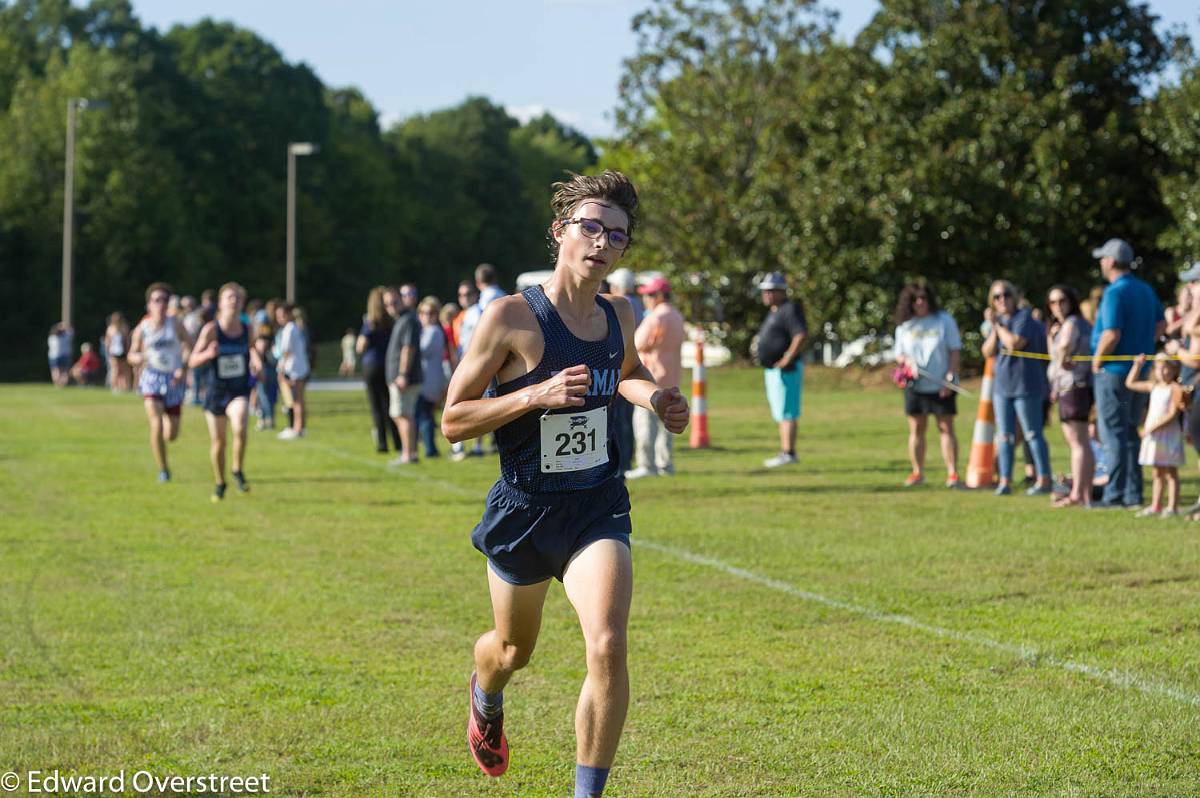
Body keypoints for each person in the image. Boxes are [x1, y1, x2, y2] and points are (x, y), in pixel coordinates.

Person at [442, 170, 688, 798]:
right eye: (591, 227)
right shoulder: (510, 318)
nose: (602, 242)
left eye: (618, 235)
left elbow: (625, 371)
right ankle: (485, 692)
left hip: (595, 505)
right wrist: (534, 395)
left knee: (606, 644)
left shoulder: (620, 312)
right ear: (561, 232)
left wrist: (653, 397)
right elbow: (453, 420)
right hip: (525, 509)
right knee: (511, 649)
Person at [1090, 238, 1165, 508]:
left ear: (1110, 262)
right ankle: (1134, 493)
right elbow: (1161, 322)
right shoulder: (1145, 289)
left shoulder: (1114, 292)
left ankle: (1115, 495)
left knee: (1113, 433)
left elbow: (1111, 333)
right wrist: (1145, 346)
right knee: (1131, 431)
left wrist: (1097, 361)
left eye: (1102, 258)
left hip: (1115, 373)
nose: (1101, 263)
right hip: (1140, 372)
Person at [189, 282, 260, 501]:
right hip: (215, 391)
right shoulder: (211, 330)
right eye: (229, 297)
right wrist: (207, 354)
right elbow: (192, 360)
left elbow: (251, 347)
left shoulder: (246, 328)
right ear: (221, 303)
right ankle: (220, 482)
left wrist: (256, 360)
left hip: (238, 390)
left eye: (237, 298)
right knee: (219, 441)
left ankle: (237, 469)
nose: (233, 301)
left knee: (240, 424)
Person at [982, 280, 1052, 496]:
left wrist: (997, 326)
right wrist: (995, 327)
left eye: (1005, 295)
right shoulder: (999, 322)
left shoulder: (1024, 319)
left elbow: (1014, 343)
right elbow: (987, 351)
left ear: (1014, 297)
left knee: (1032, 433)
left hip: (1027, 385)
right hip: (1003, 387)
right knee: (1004, 435)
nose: (1002, 300)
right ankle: (1005, 480)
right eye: (996, 297)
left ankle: (1043, 479)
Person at [892, 281, 962, 488]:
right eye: (915, 299)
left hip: (942, 384)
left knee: (946, 427)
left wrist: (950, 377)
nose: (920, 302)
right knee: (917, 428)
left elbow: (955, 351)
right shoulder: (905, 325)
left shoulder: (944, 321)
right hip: (916, 386)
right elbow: (899, 354)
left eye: (923, 298)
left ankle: (952, 474)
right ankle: (917, 472)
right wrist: (907, 363)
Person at [127, 282, 193, 481]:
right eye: (156, 300)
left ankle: (164, 434)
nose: (161, 304)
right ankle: (163, 469)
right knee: (155, 423)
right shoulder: (143, 328)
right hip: (152, 378)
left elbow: (191, 346)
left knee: (171, 434)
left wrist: (183, 367)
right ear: (149, 304)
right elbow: (131, 354)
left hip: (173, 380)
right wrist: (140, 358)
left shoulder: (176, 324)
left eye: (164, 300)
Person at [625, 276, 685, 479]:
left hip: (651, 378)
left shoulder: (655, 317)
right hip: (672, 376)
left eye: (650, 295)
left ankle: (646, 465)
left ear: (659, 296)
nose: (646, 299)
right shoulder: (676, 315)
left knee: (644, 423)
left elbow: (636, 344)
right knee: (667, 425)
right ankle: (665, 464)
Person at [1045, 285, 1094, 508]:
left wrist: (1062, 354)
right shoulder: (1075, 324)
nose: (1057, 306)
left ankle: (1076, 494)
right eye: (1052, 302)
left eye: (1062, 301)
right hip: (1075, 386)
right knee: (1082, 442)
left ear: (1071, 301)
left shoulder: (1072, 323)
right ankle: (1085, 493)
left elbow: (1063, 349)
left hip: (1072, 386)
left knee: (1077, 442)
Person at [756, 272, 808, 467]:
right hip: (774, 370)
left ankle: (789, 452)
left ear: (781, 291)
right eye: (765, 291)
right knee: (780, 412)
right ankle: (785, 451)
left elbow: (800, 334)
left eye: (770, 291)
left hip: (787, 370)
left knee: (787, 413)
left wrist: (788, 357)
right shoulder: (775, 310)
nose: (766, 294)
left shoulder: (789, 309)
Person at [1126, 353, 1186, 518]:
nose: (1163, 372)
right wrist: (1137, 366)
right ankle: (1156, 505)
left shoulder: (1175, 388)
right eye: (1160, 368)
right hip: (1154, 435)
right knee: (1157, 472)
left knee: (1171, 472)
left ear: (1174, 370)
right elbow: (1130, 383)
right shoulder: (1154, 386)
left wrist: (1151, 428)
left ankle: (1172, 507)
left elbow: (1172, 414)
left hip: (1168, 435)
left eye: (1167, 368)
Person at [357, 287, 401, 453]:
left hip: (372, 365)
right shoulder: (392, 321)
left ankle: (382, 444)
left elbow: (360, 346)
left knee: (376, 407)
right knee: (390, 406)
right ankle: (398, 442)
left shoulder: (371, 322)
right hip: (388, 365)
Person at [386, 288, 422, 463]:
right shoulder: (402, 319)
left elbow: (409, 348)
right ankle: (409, 453)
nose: (391, 307)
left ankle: (409, 454)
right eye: (387, 304)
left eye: (394, 302)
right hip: (401, 378)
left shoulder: (408, 319)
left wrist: (402, 374)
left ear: (402, 299)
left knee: (403, 415)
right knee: (400, 414)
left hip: (405, 378)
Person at [416, 297, 450, 458]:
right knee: (425, 414)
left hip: (430, 379)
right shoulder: (428, 331)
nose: (426, 316)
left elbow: (422, 349)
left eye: (430, 313)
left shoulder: (434, 331)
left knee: (424, 414)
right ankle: (429, 446)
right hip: (429, 377)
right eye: (423, 313)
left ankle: (430, 449)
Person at [276, 303, 310, 440]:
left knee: (296, 401)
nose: (279, 318)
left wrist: (281, 369)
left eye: (282, 315)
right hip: (300, 367)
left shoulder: (289, 329)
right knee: (298, 400)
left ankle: (297, 428)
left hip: (295, 369)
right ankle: (299, 428)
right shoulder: (295, 328)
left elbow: (285, 352)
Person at [104, 312, 132, 392]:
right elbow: (107, 342)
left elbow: (127, 341)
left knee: (124, 370)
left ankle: (125, 386)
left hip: (121, 351)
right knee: (116, 370)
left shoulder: (123, 327)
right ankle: (114, 386)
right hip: (114, 351)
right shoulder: (111, 329)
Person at [47, 323, 73, 387]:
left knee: (55, 370)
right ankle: (63, 383)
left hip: (53, 356)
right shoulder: (65, 337)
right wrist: (65, 326)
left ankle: (57, 383)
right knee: (64, 371)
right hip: (65, 355)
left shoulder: (51, 338)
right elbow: (71, 331)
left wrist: (59, 326)